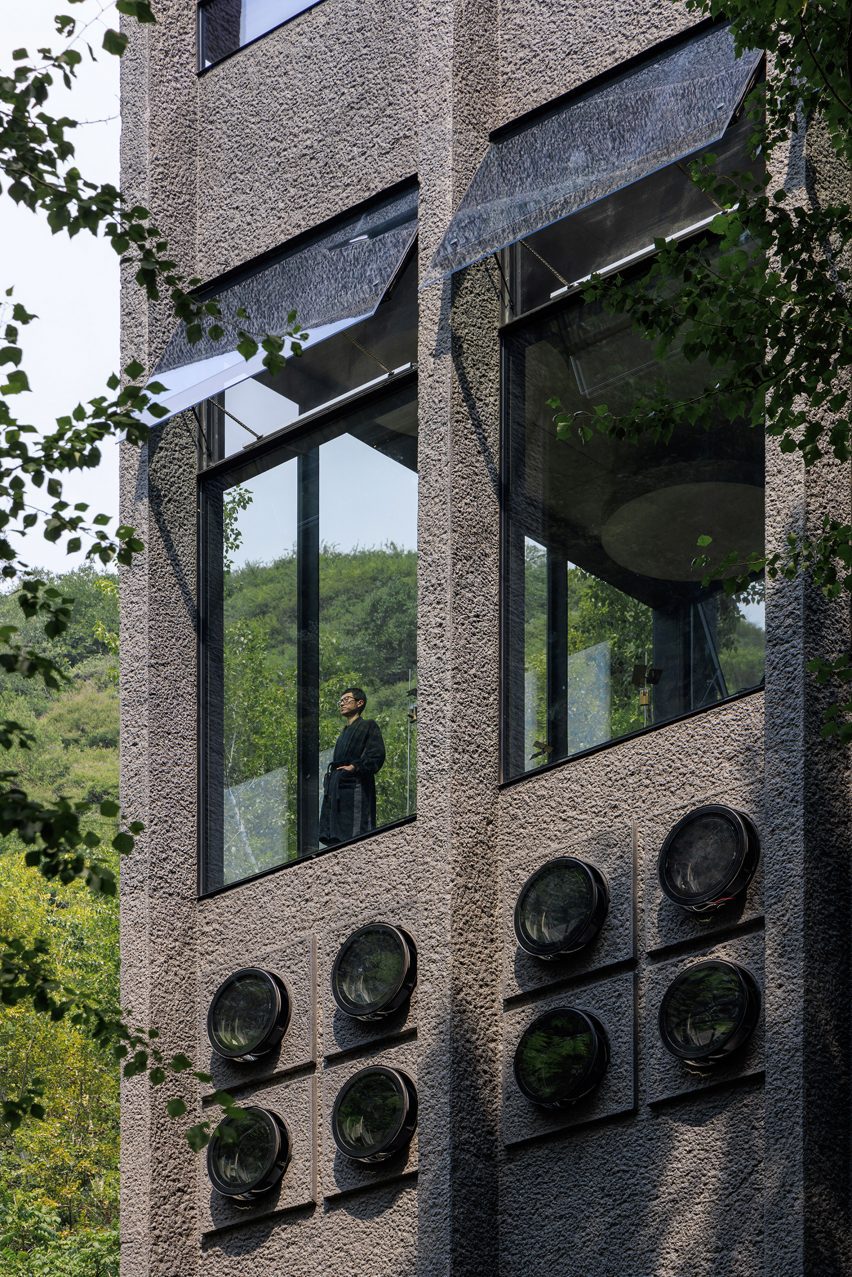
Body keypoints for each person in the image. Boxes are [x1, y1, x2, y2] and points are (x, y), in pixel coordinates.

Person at [319, 687, 386, 846]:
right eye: (340, 701)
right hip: (337, 785)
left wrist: (355, 767)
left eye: (347, 700)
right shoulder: (343, 733)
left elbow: (377, 755)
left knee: (355, 832)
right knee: (336, 833)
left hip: (355, 785)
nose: (342, 704)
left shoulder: (368, 725)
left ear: (359, 702)